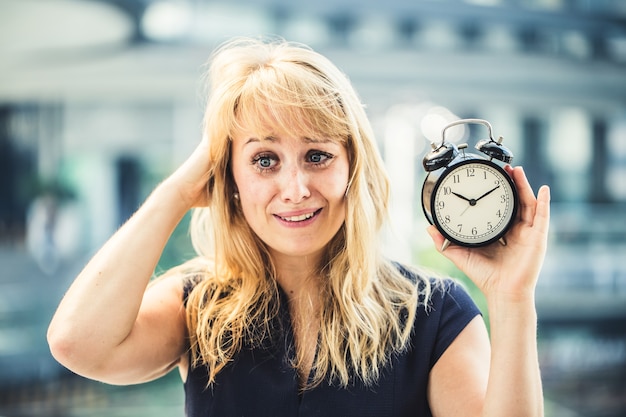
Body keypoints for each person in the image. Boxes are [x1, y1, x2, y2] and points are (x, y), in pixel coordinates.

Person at [47, 37, 550, 417]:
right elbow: (77, 344)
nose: (294, 187)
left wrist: (512, 298)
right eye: (264, 159)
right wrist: (178, 192)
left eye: (317, 155)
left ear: (352, 166)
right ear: (229, 175)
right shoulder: (198, 306)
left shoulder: (435, 315)